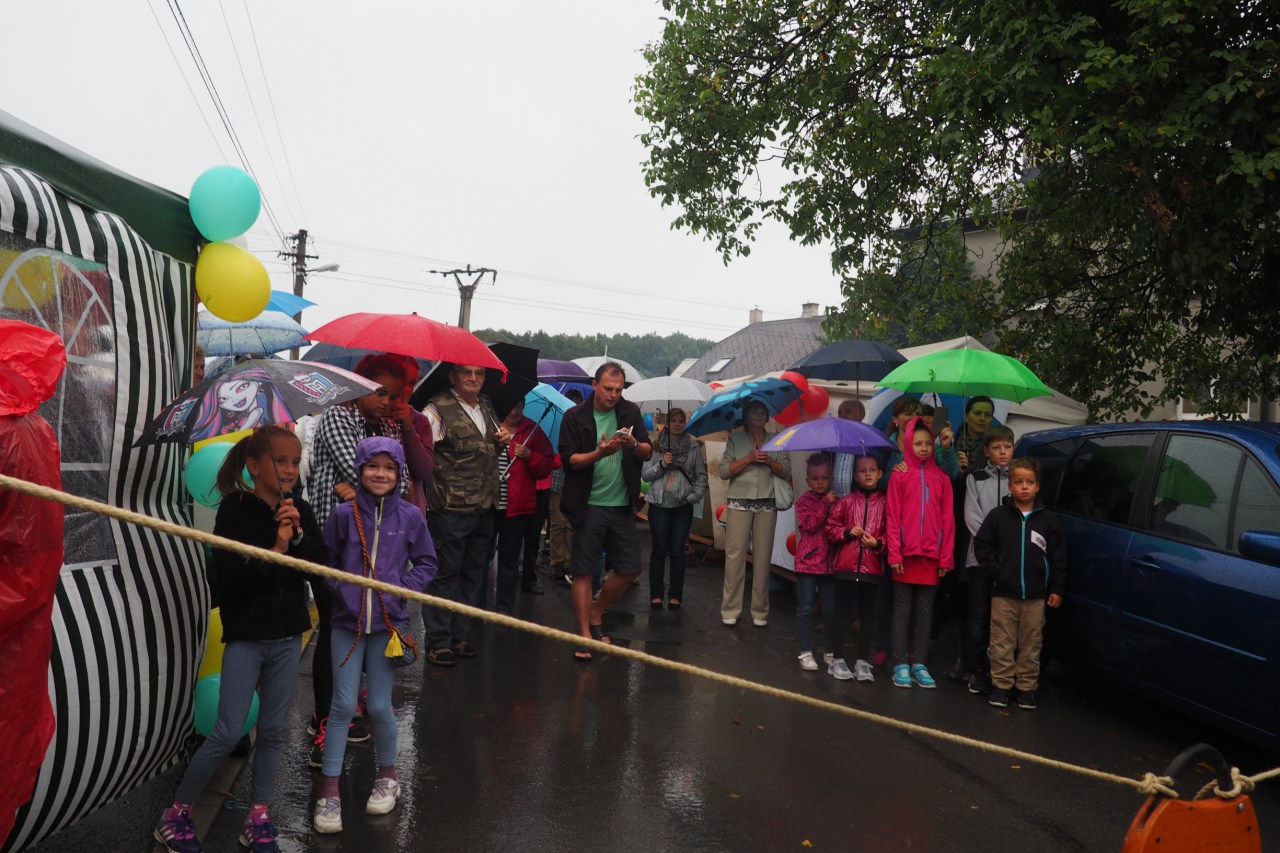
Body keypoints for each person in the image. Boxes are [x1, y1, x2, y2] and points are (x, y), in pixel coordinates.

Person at [155, 426, 326, 853]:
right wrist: (278, 548)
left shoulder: (298, 509)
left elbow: (320, 565)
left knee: (272, 732)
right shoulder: (234, 512)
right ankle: (177, 812)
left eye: (294, 461)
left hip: (288, 635)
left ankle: (259, 815)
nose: (289, 469)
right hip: (248, 636)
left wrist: (298, 537)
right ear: (253, 465)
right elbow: (232, 584)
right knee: (228, 731)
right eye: (279, 460)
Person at [305, 355, 433, 766]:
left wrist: (406, 427)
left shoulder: (391, 425)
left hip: (385, 543)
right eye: (379, 392)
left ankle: (355, 708)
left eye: (393, 396)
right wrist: (363, 482)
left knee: (374, 626)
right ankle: (324, 719)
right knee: (335, 628)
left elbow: (409, 475)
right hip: (339, 540)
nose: (386, 402)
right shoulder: (338, 416)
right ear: (357, 385)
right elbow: (361, 471)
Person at [314, 437, 437, 833]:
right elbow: (327, 562)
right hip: (345, 625)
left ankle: (388, 777)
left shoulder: (411, 517)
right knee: (342, 705)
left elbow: (427, 562)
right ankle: (329, 791)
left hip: (388, 627)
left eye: (389, 468)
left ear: (400, 473)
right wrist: (342, 589)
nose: (380, 474)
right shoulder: (342, 515)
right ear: (359, 469)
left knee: (381, 707)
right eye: (372, 466)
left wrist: (403, 589)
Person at [558, 362, 652, 661]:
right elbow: (570, 461)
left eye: (619, 390)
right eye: (608, 389)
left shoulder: (630, 412)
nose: (613, 395)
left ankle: (596, 612)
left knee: (630, 568)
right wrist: (600, 453)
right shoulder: (575, 416)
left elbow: (648, 451)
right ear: (595, 385)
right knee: (584, 572)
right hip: (588, 505)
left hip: (622, 505)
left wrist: (632, 443)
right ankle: (584, 634)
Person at [421, 363, 510, 666]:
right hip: (449, 509)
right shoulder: (436, 409)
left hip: (485, 506)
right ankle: (438, 641)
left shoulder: (486, 404)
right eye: (466, 373)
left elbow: (487, 450)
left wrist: (500, 441)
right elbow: (422, 455)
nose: (474, 378)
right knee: (445, 574)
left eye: (479, 374)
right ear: (452, 376)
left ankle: (457, 635)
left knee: (473, 574)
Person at [973, 458, 1066, 710]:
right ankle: (1001, 686)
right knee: (1001, 642)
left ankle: (1026, 688)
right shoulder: (998, 516)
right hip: (1003, 593)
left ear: (1038, 486)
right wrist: (996, 571)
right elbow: (982, 545)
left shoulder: (1048, 520)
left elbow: (1058, 557)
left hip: (1036, 596)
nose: (1024, 487)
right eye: (1019, 482)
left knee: (1031, 643)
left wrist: (1056, 588)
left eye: (1030, 482)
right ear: (1010, 486)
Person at [885, 417, 954, 689]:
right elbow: (892, 516)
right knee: (902, 611)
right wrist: (894, 553)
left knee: (926, 612)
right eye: (918, 443)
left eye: (927, 443)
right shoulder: (899, 475)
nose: (923, 448)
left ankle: (920, 663)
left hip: (932, 558)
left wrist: (946, 557)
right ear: (908, 444)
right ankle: (901, 662)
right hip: (905, 556)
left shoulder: (942, 478)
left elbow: (948, 520)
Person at [719, 399, 791, 628]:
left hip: (767, 504)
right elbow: (724, 471)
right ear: (747, 416)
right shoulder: (736, 439)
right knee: (735, 557)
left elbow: (786, 471)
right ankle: (731, 609)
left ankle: (760, 611)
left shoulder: (776, 440)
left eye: (762, 412)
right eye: (754, 411)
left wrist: (769, 461)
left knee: (762, 558)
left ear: (767, 417)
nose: (759, 415)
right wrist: (748, 459)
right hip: (738, 502)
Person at [961, 424, 1016, 695]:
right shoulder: (976, 478)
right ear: (986, 451)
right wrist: (991, 545)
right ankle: (976, 670)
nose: (1002, 452)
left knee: (1004, 618)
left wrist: (1007, 546)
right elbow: (972, 517)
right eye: (996, 447)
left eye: (1007, 446)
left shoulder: (1018, 479)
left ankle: (1001, 671)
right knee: (978, 615)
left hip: (1010, 560)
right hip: (980, 560)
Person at [825, 453, 888, 682]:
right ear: (855, 476)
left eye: (872, 470)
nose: (868, 474)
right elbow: (830, 527)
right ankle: (837, 659)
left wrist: (877, 543)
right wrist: (846, 532)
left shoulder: (886, 503)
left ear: (880, 474)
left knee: (868, 614)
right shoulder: (847, 501)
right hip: (845, 566)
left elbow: (891, 535)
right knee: (841, 611)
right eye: (862, 470)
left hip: (872, 568)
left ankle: (862, 661)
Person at [492, 399, 555, 615]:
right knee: (479, 559)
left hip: (516, 507)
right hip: (488, 505)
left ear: (524, 407)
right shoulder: (490, 424)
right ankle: (476, 608)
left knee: (509, 560)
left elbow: (546, 466)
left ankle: (504, 611)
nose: (514, 411)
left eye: (518, 406)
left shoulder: (532, 431)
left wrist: (529, 455)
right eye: (511, 406)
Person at [641, 407, 707, 609]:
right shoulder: (656, 445)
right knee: (659, 549)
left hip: (682, 506)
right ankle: (656, 594)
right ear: (667, 423)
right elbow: (646, 475)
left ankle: (675, 595)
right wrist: (662, 464)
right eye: (674, 420)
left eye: (681, 420)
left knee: (678, 551)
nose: (677, 424)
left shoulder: (693, 446)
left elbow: (701, 475)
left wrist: (695, 496)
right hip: (659, 505)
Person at [793, 454, 837, 671]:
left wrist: (833, 507)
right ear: (808, 480)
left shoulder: (836, 501)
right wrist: (825, 504)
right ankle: (805, 651)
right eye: (815, 478)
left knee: (830, 610)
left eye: (825, 478)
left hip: (830, 564)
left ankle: (829, 650)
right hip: (808, 563)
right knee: (805, 607)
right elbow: (809, 525)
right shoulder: (803, 502)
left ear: (831, 479)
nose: (820, 482)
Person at [549, 388, 584, 586]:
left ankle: (569, 562)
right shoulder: (558, 424)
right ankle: (556, 561)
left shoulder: (583, 426)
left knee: (570, 523)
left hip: (574, 482)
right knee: (557, 522)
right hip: (557, 479)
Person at [831, 398, 866, 499]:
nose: (842, 416)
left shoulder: (866, 443)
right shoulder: (831, 443)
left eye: (848, 412)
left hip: (858, 502)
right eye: (840, 413)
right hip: (834, 503)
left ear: (861, 415)